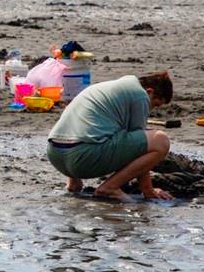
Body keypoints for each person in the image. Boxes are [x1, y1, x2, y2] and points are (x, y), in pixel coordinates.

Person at [46, 72, 174, 200]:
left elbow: (80, 129)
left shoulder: (105, 88)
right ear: (150, 92)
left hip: (55, 155)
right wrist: (148, 190)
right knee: (160, 140)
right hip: (82, 157)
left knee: (89, 130)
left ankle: (74, 183)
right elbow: (140, 150)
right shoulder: (140, 95)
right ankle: (109, 188)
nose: (150, 109)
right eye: (155, 104)